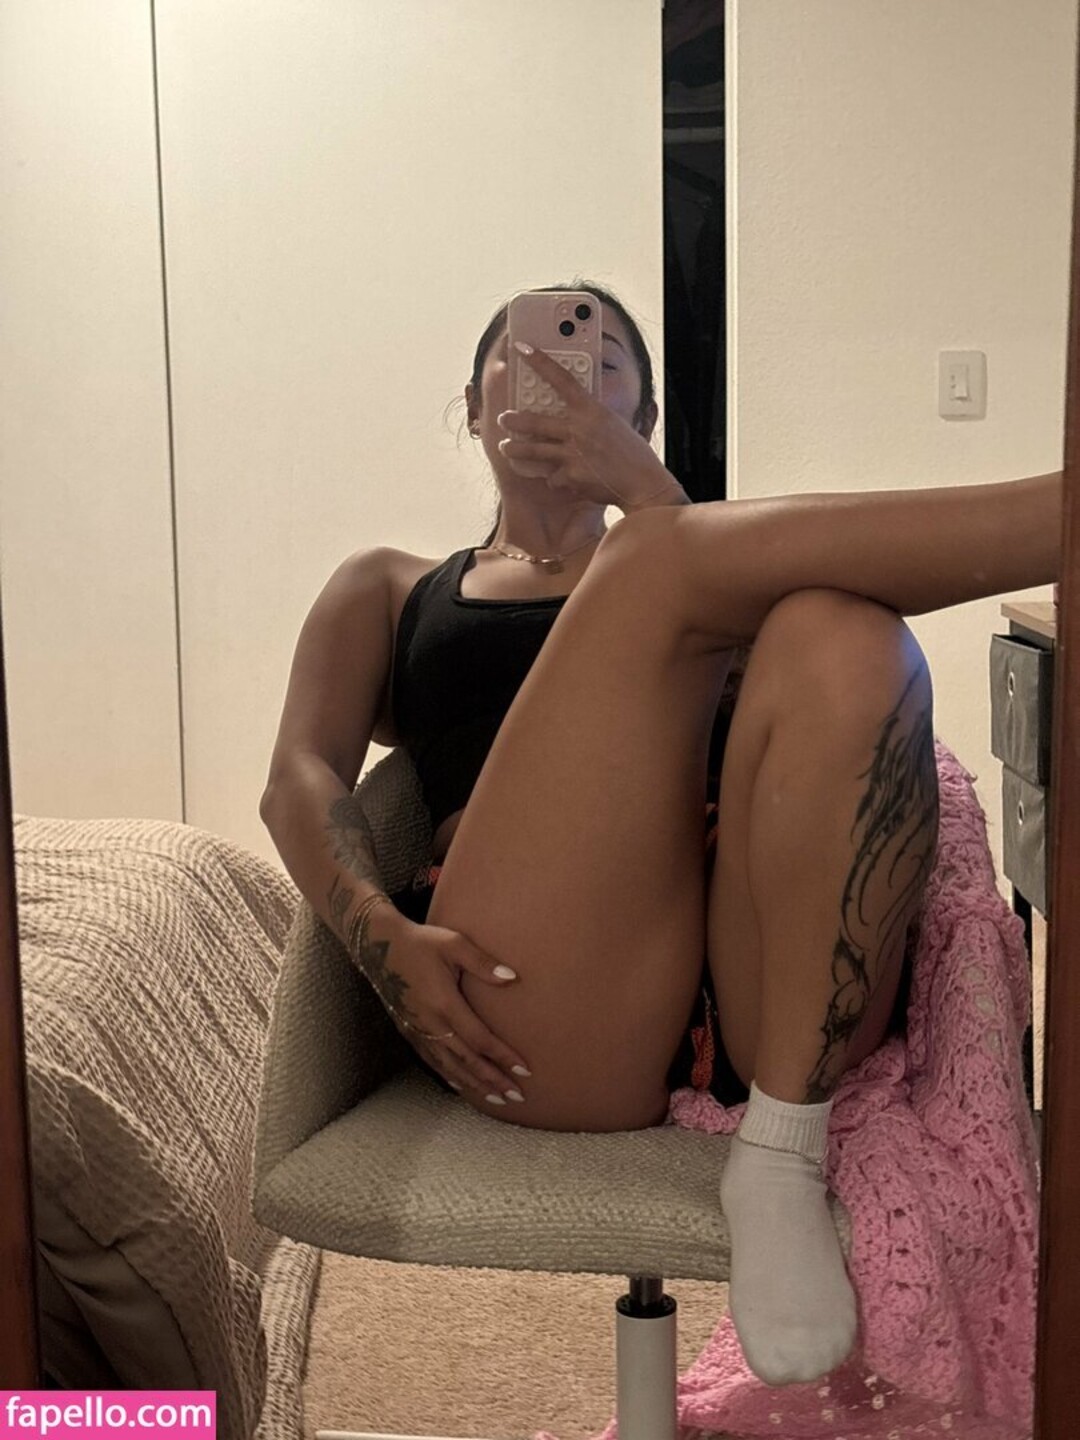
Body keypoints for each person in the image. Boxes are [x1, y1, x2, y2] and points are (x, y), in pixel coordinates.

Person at [261, 281, 1061, 1388]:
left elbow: (803, 711)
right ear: (472, 404)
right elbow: (299, 776)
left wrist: (647, 497)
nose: (560, 377)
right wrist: (377, 936)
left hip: (769, 992)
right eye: (524, 359)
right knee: (661, 563)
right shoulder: (390, 588)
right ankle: (1055, 518)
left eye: (602, 366)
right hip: (542, 987)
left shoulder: (696, 562)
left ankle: (780, 1153)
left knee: (843, 625)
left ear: (639, 418)